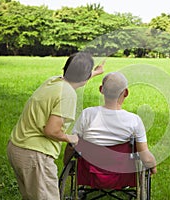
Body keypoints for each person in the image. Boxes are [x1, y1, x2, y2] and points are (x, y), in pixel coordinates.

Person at [7, 52, 104, 200]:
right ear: (84, 77)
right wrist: (71, 138)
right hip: (35, 155)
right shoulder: (68, 95)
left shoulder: (53, 81)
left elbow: (76, 79)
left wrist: (95, 72)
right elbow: (51, 131)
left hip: (17, 148)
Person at [64, 72, 157, 174]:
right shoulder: (134, 120)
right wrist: (153, 169)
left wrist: (66, 163)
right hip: (121, 174)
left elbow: (72, 144)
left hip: (90, 173)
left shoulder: (87, 114)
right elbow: (146, 157)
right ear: (125, 93)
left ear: (101, 90)